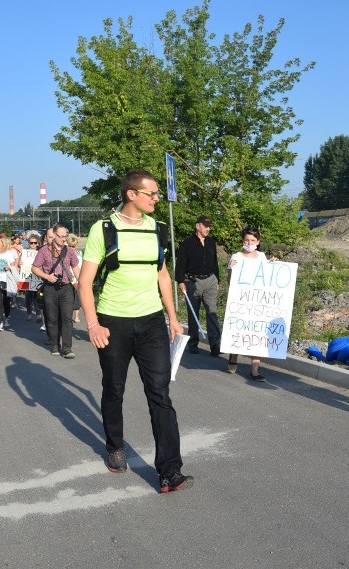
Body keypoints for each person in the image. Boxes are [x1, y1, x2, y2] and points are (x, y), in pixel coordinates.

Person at [78, 169, 193, 494]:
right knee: (114, 389)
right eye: (151, 194)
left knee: (160, 394)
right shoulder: (104, 229)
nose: (157, 198)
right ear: (132, 194)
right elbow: (85, 282)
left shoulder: (157, 229)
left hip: (152, 322)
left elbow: (162, 275)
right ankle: (115, 445)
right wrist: (93, 324)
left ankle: (170, 471)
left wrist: (172, 316)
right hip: (113, 321)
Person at [226, 227, 277, 381]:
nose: (250, 243)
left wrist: (273, 265)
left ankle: (254, 370)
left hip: (257, 303)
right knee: (239, 330)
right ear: (243, 240)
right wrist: (230, 268)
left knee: (257, 333)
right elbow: (230, 281)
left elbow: (266, 277)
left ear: (258, 241)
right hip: (241, 301)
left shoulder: (261, 256)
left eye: (253, 240)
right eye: (247, 240)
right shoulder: (237, 256)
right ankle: (233, 355)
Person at [175, 215, 221, 356]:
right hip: (193, 282)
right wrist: (180, 281)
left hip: (210, 280)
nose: (208, 228)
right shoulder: (188, 242)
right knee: (193, 313)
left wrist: (217, 280)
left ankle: (215, 344)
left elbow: (215, 262)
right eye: (205, 225)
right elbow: (181, 263)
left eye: (209, 226)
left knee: (211, 312)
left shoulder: (211, 242)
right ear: (197, 226)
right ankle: (193, 343)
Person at [32, 224, 80, 358]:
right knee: (52, 318)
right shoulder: (44, 251)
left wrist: (81, 283)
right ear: (54, 235)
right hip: (50, 288)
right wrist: (47, 276)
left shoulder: (69, 251)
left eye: (66, 236)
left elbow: (76, 268)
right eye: (61, 236)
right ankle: (54, 345)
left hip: (66, 288)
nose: (64, 239)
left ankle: (67, 348)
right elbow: (35, 268)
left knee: (66, 318)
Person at [0, 235, 17, 331]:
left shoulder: (9, 254)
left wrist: (9, 267)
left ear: (3, 244)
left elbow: (14, 267)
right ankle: (1, 322)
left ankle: (6, 317)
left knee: (6, 302)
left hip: (7, 281)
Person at [23, 235, 42, 321]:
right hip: (27, 277)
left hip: (38, 278)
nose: (33, 244)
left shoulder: (41, 252)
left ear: (38, 243)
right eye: (31, 243)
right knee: (28, 297)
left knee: (37, 297)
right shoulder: (24, 253)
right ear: (29, 243)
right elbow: (20, 263)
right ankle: (29, 311)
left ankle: (38, 314)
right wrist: (20, 263)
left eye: (35, 243)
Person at [66, 234, 82, 323]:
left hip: (76, 280)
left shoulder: (79, 255)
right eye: (70, 246)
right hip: (68, 280)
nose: (72, 248)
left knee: (77, 298)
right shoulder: (64, 255)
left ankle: (76, 316)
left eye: (73, 246)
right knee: (69, 299)